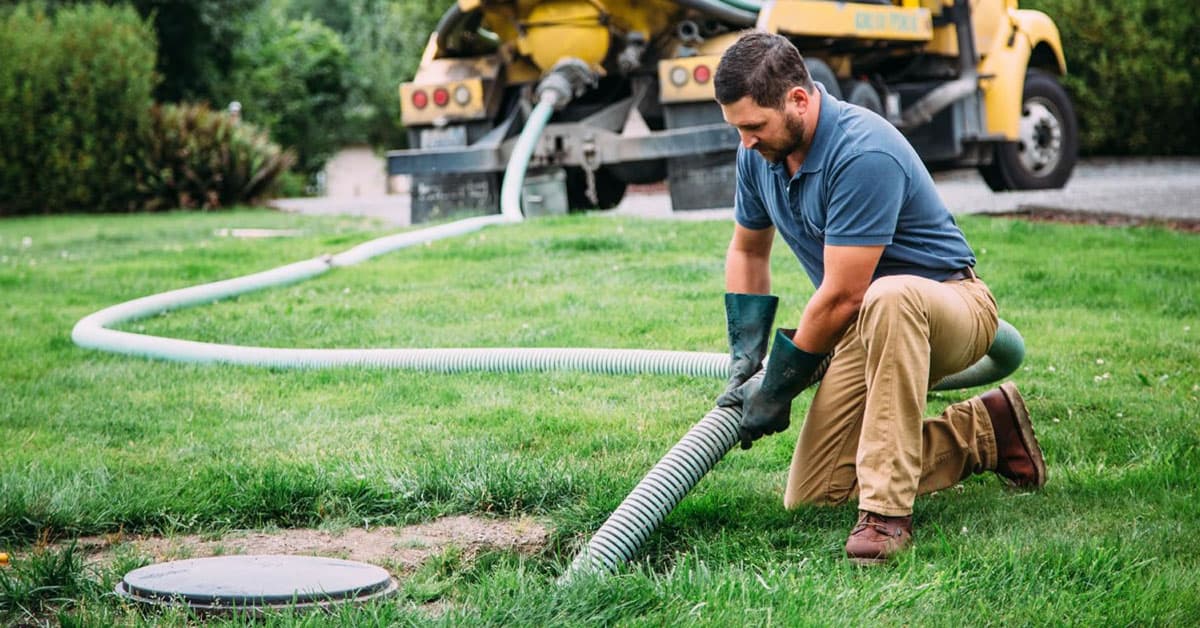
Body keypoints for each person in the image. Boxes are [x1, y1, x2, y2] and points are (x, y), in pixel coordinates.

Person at [712, 32, 1047, 565]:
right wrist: (746, 354)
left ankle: (887, 515)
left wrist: (780, 385)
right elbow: (748, 251)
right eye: (738, 128)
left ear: (799, 99)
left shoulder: (862, 151)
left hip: (947, 305)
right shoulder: (758, 153)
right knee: (815, 494)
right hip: (865, 326)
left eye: (755, 126)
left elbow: (845, 294)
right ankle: (984, 432)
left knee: (887, 295)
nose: (746, 141)